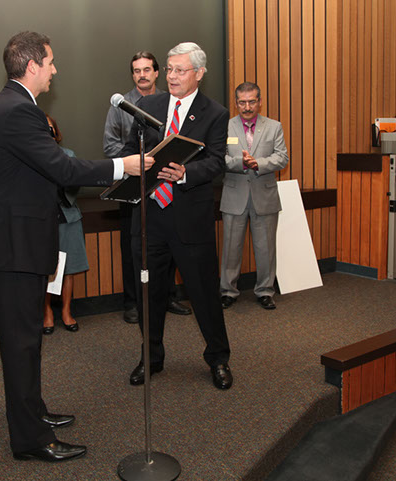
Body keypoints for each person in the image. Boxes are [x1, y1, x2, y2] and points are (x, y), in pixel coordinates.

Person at [0, 31, 152, 463]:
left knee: (29, 340)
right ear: (33, 65)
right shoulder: (17, 109)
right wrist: (121, 165)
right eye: (51, 62)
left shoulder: (17, 106)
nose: (55, 70)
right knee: (20, 343)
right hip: (13, 249)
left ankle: (33, 414)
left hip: (21, 242)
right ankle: (30, 441)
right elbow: (60, 166)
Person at [120, 42, 233, 390]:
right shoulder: (147, 106)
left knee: (203, 295)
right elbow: (129, 149)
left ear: (198, 73)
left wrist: (185, 173)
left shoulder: (214, 113)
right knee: (148, 295)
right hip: (150, 217)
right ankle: (151, 357)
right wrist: (130, 166)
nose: (171, 76)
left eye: (179, 70)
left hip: (190, 218)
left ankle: (218, 358)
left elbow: (217, 160)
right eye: (168, 69)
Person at [103, 51, 192, 323]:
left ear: (156, 73)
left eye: (146, 69)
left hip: (169, 185)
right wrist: (140, 162)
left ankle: (168, 297)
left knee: (169, 244)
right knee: (134, 250)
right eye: (136, 70)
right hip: (134, 187)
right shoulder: (120, 106)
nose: (141, 74)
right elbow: (110, 146)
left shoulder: (171, 101)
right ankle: (133, 302)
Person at [219, 82, 289, 310]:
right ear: (236, 103)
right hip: (234, 195)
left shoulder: (274, 127)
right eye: (242, 102)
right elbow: (219, 159)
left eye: (251, 101)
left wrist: (258, 163)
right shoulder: (225, 127)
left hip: (264, 195)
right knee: (230, 248)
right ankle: (228, 291)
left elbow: (282, 158)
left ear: (260, 101)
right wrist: (242, 163)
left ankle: (266, 291)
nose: (247, 107)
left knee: (266, 248)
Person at [42, 114, 87, 335]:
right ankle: (47, 312)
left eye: (50, 129)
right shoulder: (31, 157)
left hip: (68, 217)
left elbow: (74, 186)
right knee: (45, 269)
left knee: (68, 269)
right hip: (42, 221)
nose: (47, 133)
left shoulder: (68, 155)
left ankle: (66, 312)